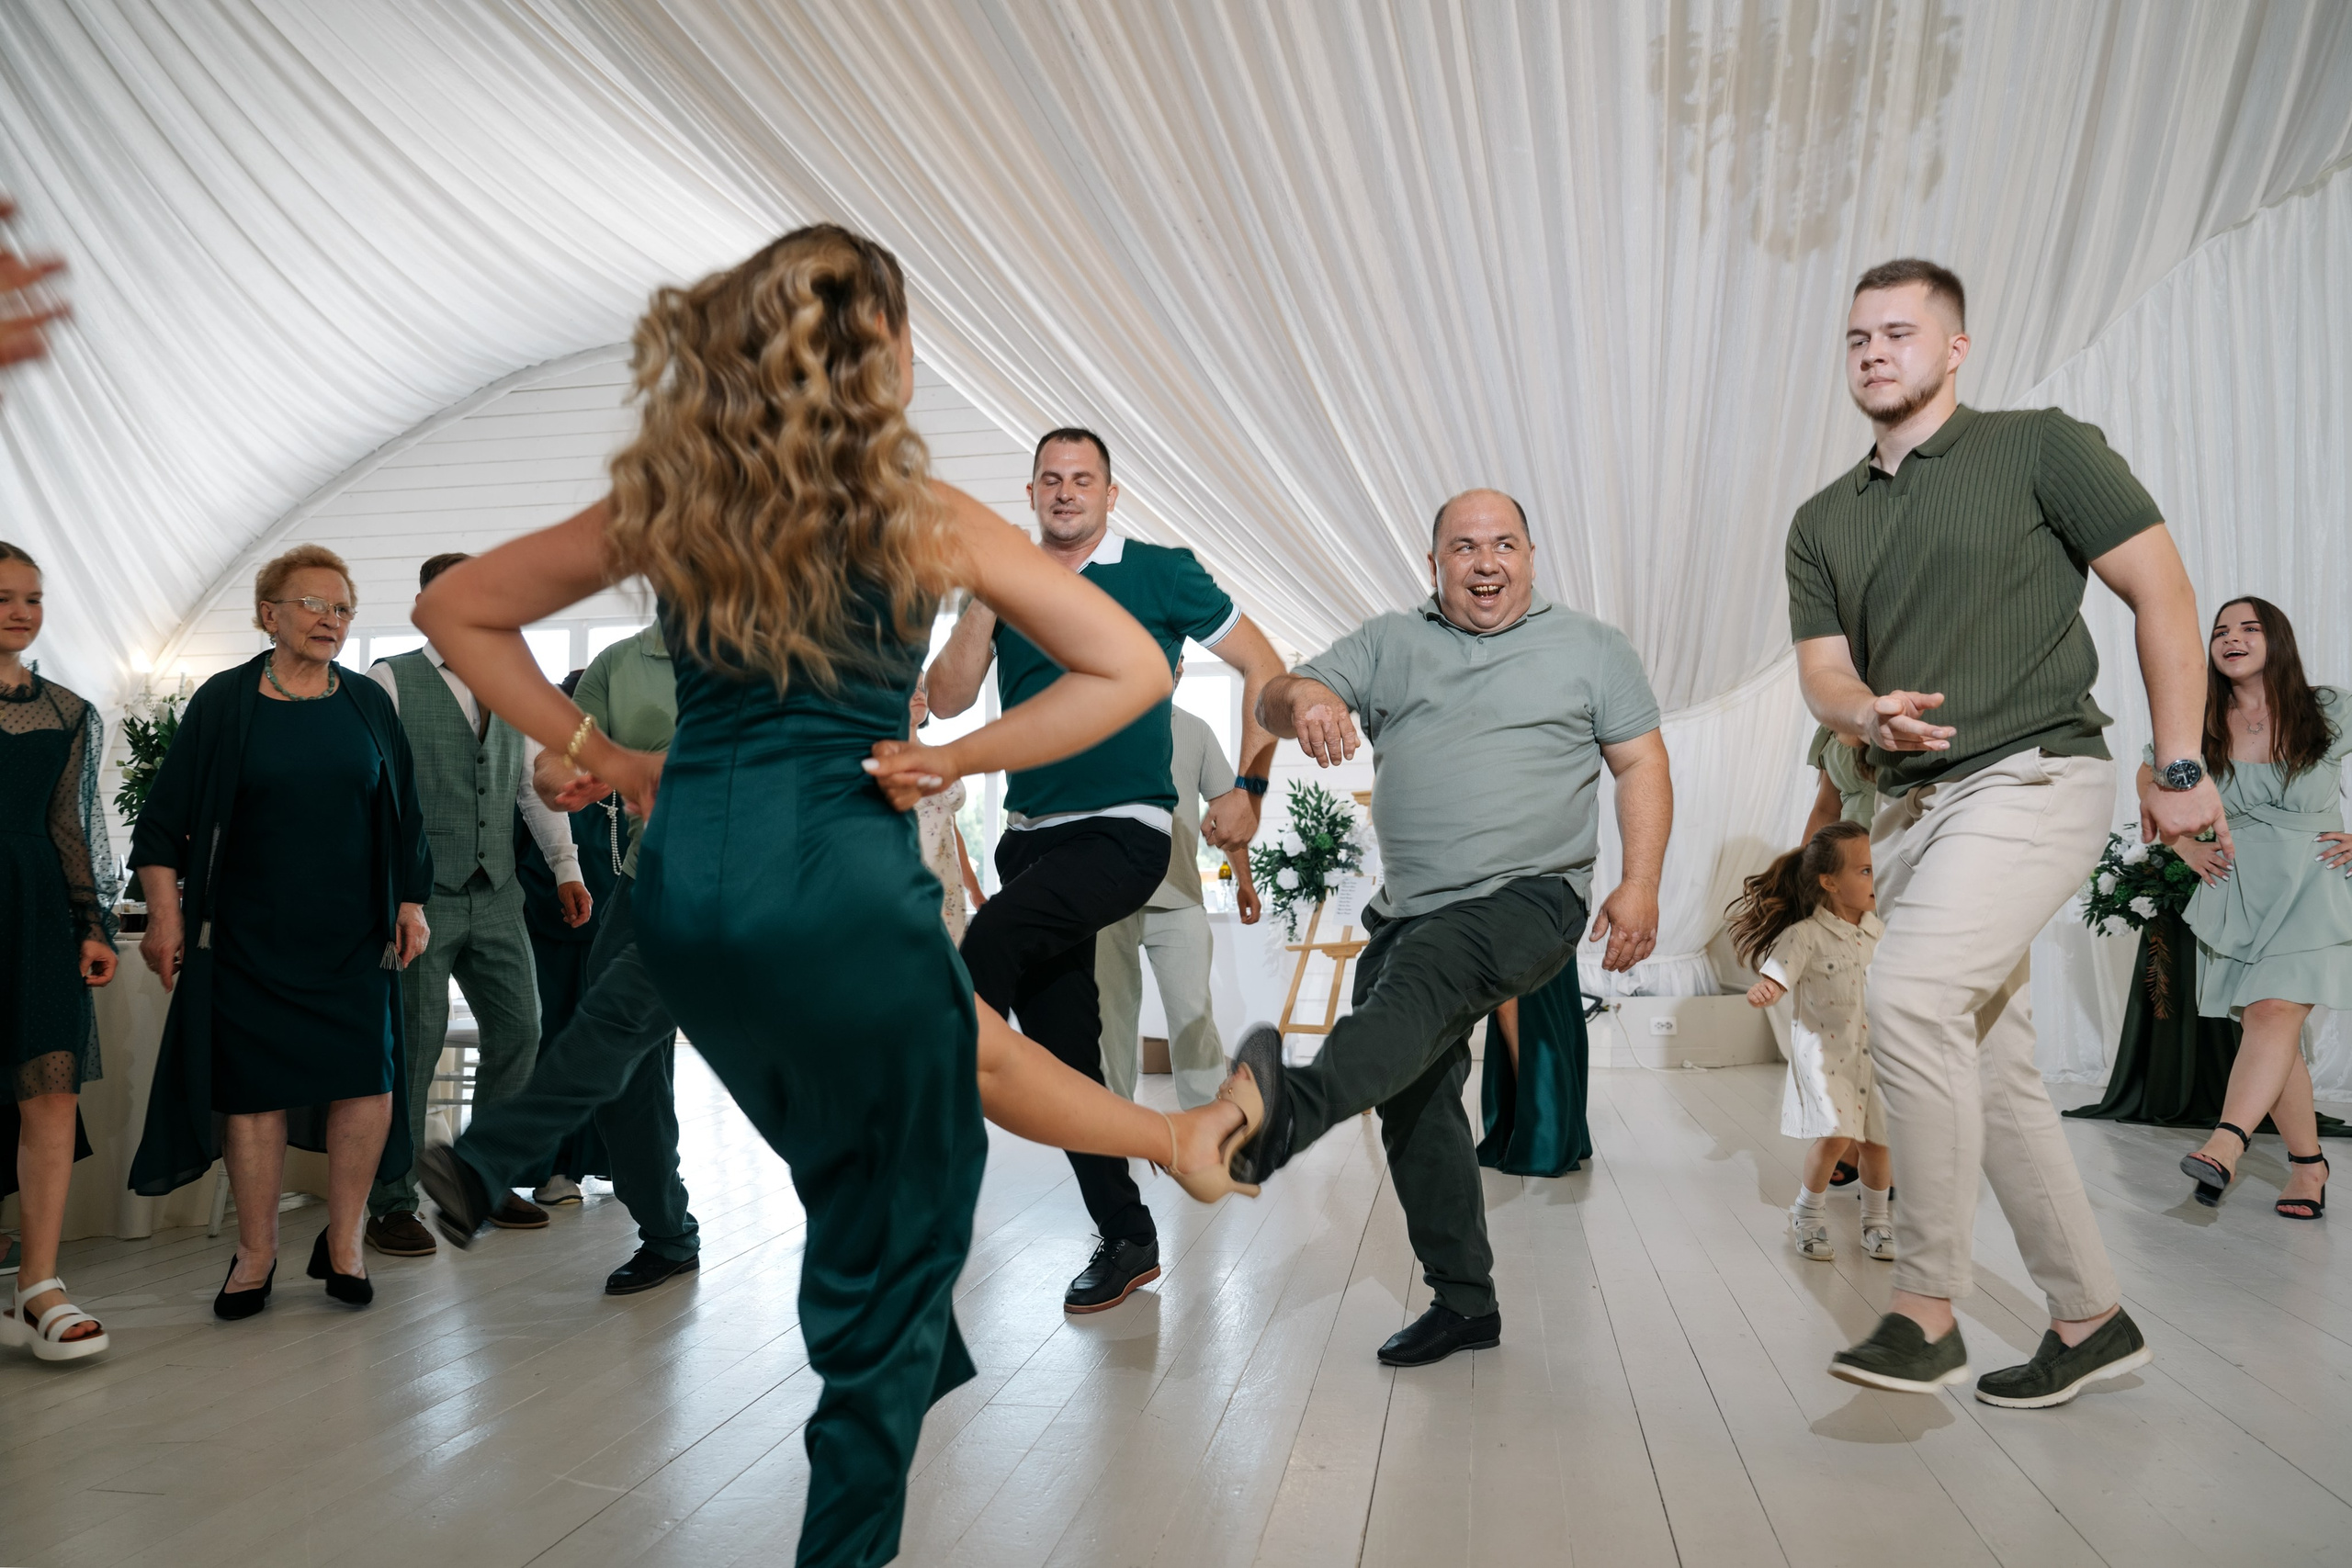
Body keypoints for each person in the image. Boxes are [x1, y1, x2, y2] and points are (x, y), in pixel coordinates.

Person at [407, 225, 1265, 1568]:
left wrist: (612, 758)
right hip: (834, 875)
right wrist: (957, 755)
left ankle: (1166, 1150)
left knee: (942, 1059)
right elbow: (1129, 669)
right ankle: (871, 1458)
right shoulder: (915, 511)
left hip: (689, 889)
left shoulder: (675, 497)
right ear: (890, 358)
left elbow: (457, 609)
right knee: (902, 1237)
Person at [1788, 257, 2225, 1407]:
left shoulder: (2039, 447)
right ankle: (2089, 1317)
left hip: (2032, 776)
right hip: (1910, 811)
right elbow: (1824, 674)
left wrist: (2177, 764)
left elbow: (2163, 593)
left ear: (1953, 350)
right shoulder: (1822, 520)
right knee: (1991, 1056)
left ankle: (1925, 1306)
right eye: (1855, 338)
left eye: (1897, 332)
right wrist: (1859, 710)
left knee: (1910, 1001)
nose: (1873, 352)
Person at [1242, 487, 1672, 1368]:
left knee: (1430, 970)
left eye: (1503, 544)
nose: (1485, 563)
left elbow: (1640, 762)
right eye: (1464, 547)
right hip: (1409, 911)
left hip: (1532, 898)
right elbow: (1278, 697)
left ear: (1531, 554)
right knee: (1415, 1095)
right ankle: (1466, 1301)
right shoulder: (1393, 641)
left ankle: (1292, 1110)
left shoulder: (1592, 648)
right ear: (1432, 563)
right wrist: (1313, 700)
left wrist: (1641, 883)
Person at [925, 425, 1289, 1314]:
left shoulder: (1162, 571)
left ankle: (912, 1152)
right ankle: (1128, 1235)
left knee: (990, 946)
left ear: (1110, 494)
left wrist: (1250, 783)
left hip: (1125, 835)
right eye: (1049, 479)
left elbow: (1263, 665)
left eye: (1082, 479)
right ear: (1031, 492)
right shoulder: (1009, 584)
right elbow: (943, 700)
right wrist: (987, 594)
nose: (1065, 491)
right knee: (1069, 1054)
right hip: (1031, 838)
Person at [130, 545, 431, 1318]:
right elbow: (161, 827)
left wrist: (411, 902)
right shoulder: (224, 703)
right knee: (254, 1093)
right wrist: (165, 916)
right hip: (248, 937)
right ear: (269, 614)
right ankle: (256, 1254)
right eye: (313, 604)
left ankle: (344, 1244)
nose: (330, 619)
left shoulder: (368, 702)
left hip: (354, 936)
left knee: (367, 1082)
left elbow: (405, 816)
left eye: (342, 608)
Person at [414, 621, 706, 1296]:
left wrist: (650, 769)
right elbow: (556, 754)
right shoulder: (620, 662)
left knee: (610, 1029)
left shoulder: (781, 652)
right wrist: (562, 779)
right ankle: (667, 1233)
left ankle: (485, 1161)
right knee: (622, 1064)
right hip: (646, 880)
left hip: (741, 883)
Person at [362, 553, 590, 1257]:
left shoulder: (516, 679)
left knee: (523, 1029)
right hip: (420, 899)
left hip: (498, 895)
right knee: (416, 1048)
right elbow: (374, 793)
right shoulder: (390, 680)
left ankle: (481, 1179)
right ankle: (390, 1201)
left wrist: (567, 868)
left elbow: (530, 787)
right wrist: (391, 889)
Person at [2163, 597, 2350, 1218]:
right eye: (2220, 630)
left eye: (2249, 627)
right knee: (2272, 1030)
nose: (2232, 637)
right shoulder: (2198, 721)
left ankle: (2224, 1142)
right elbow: (2148, 777)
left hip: (2313, 884)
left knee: (2272, 1012)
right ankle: (2308, 1164)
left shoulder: (2326, 709)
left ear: (2279, 640)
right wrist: (2185, 844)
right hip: (2239, 889)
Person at [0, 541, 118, 1360]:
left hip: (37, 908)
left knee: (50, 1092)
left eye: (33, 598)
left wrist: (92, 921)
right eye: (4, 596)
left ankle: (38, 1284)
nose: (21, 611)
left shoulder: (70, 710)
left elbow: (72, 826)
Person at [1729, 820, 1894, 1262]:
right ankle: (1808, 1214)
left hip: (1876, 1056)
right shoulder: (1805, 935)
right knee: (1835, 1139)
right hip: (1828, 1059)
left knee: (1879, 1143)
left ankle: (1876, 1222)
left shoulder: (1881, 932)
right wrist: (1766, 990)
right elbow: (1778, 975)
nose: (1874, 879)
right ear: (1830, 882)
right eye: (1864, 871)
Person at [1095, 671, 1262, 1108]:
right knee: (1109, 1021)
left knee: (1194, 1018)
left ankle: (1208, 1124)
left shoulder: (1195, 730)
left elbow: (1228, 812)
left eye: (1179, 660)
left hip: (1180, 896)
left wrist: (1245, 882)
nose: (1173, 668)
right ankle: (1115, 1128)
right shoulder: (1096, 721)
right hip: (1106, 897)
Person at [516, 668, 624, 1208]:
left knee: (625, 1050)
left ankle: (617, 1160)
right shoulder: (545, 770)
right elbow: (527, 848)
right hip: (557, 931)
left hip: (625, 930)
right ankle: (554, 1167)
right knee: (557, 1042)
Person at [909, 679, 984, 942]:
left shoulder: (941, 756)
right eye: (910, 686)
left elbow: (951, 828)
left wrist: (975, 892)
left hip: (948, 891)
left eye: (922, 686)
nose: (919, 693)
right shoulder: (877, 759)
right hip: (905, 889)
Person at [1803, 725, 1877, 840]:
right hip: (1845, 850)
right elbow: (1826, 810)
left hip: (1898, 849)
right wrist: (1803, 857)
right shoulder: (1835, 713)